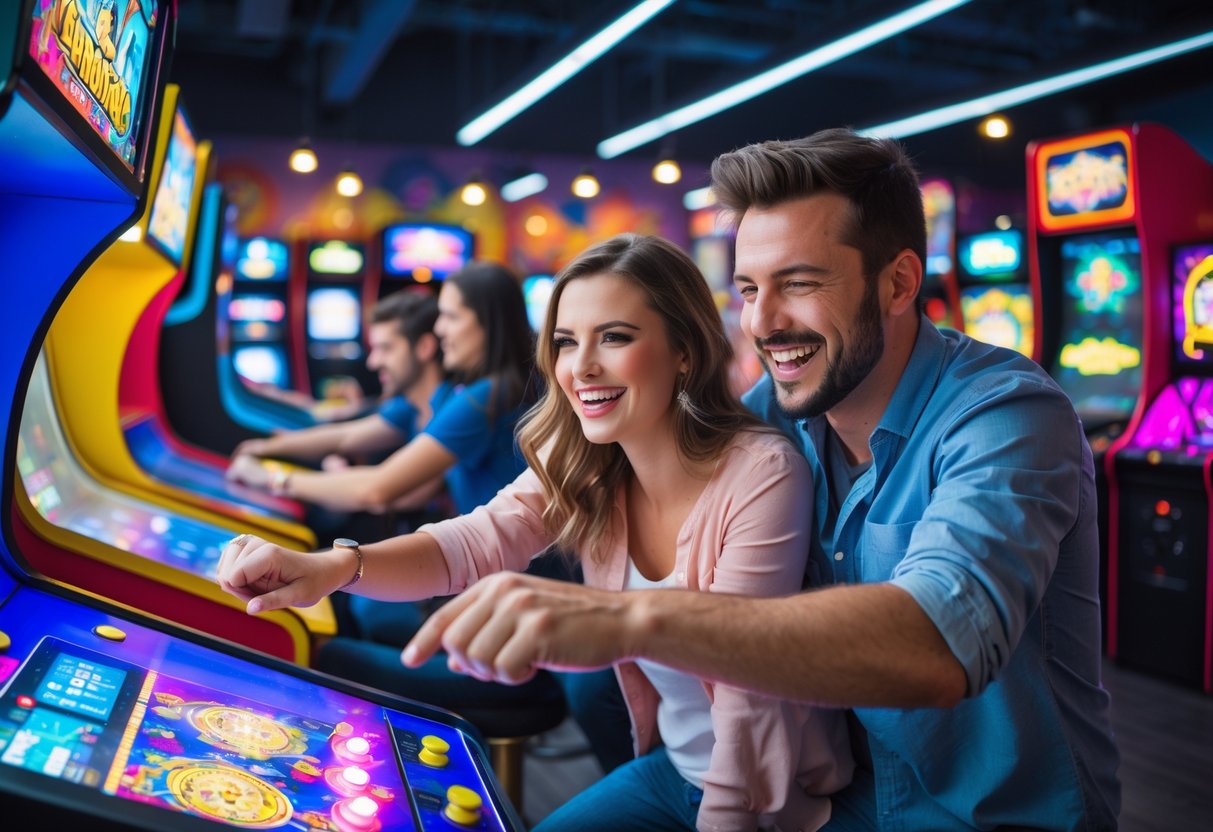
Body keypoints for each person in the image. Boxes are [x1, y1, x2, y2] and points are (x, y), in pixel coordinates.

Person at [398, 129, 1122, 831]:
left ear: (898, 281)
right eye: (748, 289)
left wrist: (625, 619)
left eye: (798, 284)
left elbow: (935, 643)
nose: (762, 323)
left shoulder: (1007, 418)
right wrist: (337, 565)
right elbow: (557, 491)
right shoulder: (773, 408)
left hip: (976, 816)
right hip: (823, 785)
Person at [218, 234, 853, 832]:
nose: (582, 368)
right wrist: (328, 568)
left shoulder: (762, 473)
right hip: (674, 767)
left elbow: (745, 685)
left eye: (615, 337)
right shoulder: (588, 458)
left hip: (765, 799)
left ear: (684, 350)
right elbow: (471, 541)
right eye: (567, 342)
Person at [227, 262, 534, 518]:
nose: (440, 329)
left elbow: (377, 491)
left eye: (451, 317)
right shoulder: (497, 390)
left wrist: (268, 477)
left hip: (510, 573)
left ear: (489, 323)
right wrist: (267, 447)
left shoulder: (483, 399)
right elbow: (345, 435)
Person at [227, 290, 444, 475]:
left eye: (386, 348)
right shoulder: (408, 406)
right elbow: (343, 437)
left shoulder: (448, 408)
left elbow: (384, 493)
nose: (373, 362)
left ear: (425, 347)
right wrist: (265, 447)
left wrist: (273, 478)